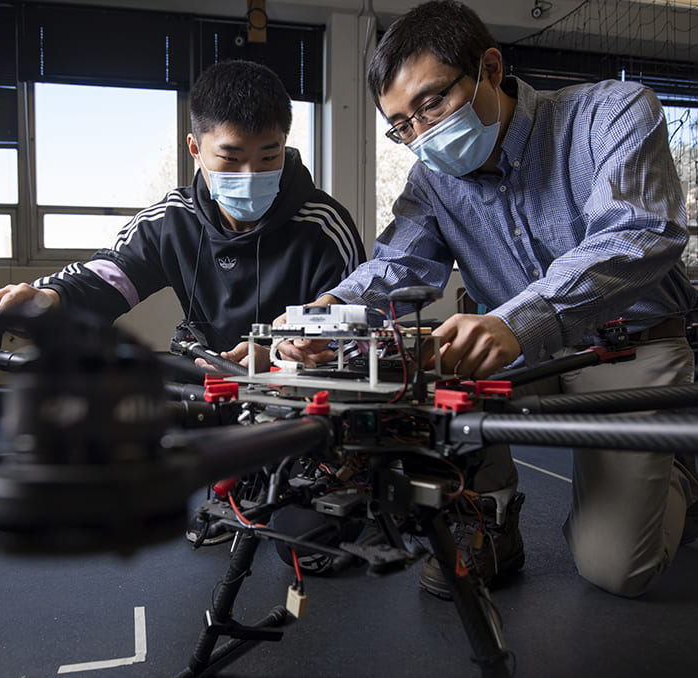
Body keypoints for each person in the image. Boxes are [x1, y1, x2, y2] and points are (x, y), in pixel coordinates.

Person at [279, 0, 698, 598]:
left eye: (432, 104)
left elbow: (641, 233)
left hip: (629, 347)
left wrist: (524, 318)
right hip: (518, 353)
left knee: (615, 572)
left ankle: (677, 476)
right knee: (419, 373)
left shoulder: (612, 111)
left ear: (490, 69)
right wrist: (323, 315)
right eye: (403, 124)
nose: (421, 134)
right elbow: (398, 266)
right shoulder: (431, 181)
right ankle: (489, 521)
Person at [0, 59, 364, 366]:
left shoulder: (325, 227)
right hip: (204, 388)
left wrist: (279, 358)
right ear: (195, 149)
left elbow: (361, 339)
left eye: (268, 156)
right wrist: (48, 296)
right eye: (231, 158)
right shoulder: (172, 221)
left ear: (284, 143)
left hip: (300, 408)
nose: (251, 174)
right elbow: (107, 278)